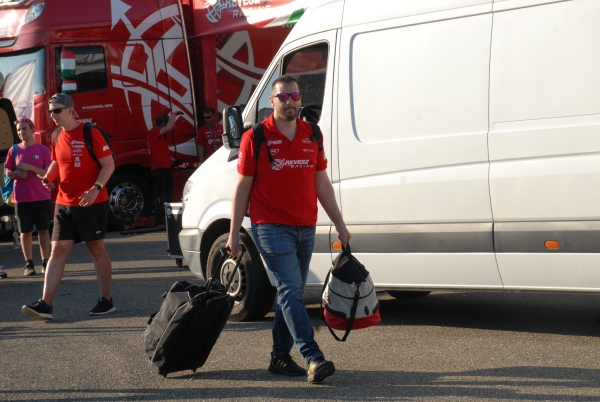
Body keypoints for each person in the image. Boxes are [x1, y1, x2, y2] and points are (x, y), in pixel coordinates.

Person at [226, 75, 351, 384]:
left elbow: (322, 184)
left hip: (305, 226)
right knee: (290, 290)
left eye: (294, 96)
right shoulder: (255, 137)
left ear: (300, 99)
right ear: (272, 101)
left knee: (290, 292)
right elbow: (242, 189)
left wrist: (340, 224)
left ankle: (279, 357)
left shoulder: (313, 134)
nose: (290, 101)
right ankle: (312, 357)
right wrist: (233, 233)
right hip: (269, 227)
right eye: (283, 97)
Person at [21, 93, 116, 320]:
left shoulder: (90, 133)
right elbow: (57, 161)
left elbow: (109, 164)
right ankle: (46, 304)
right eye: (50, 111)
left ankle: (106, 300)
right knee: (58, 250)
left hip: (91, 202)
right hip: (64, 202)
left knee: (96, 249)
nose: (52, 115)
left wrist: (95, 189)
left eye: (57, 110)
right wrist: (49, 177)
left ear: (70, 110)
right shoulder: (56, 135)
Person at [4, 117, 52, 276]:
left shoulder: (43, 150)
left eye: (24, 129)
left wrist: (31, 167)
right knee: (25, 232)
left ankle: (46, 262)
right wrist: (15, 174)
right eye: (19, 130)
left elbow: (48, 172)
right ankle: (29, 263)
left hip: (42, 196)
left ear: (32, 130)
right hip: (22, 198)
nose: (21, 132)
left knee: (43, 230)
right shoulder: (14, 150)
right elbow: (7, 172)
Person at [147, 113, 179, 226]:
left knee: (169, 191)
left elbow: (163, 152)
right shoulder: (153, 132)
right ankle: (160, 218)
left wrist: (174, 160)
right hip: (159, 169)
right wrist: (174, 115)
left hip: (165, 168)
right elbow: (169, 127)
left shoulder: (160, 137)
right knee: (162, 194)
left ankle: (167, 216)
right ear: (164, 123)